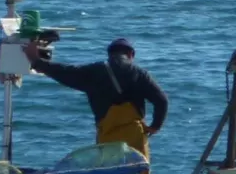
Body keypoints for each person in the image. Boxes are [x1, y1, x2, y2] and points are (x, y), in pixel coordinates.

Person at [23, 37, 168, 161]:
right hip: (134, 136)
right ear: (131, 55)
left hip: (108, 137)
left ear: (109, 55)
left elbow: (64, 72)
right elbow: (161, 100)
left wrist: (36, 61)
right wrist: (155, 126)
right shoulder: (140, 74)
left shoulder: (94, 72)